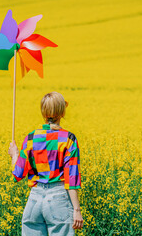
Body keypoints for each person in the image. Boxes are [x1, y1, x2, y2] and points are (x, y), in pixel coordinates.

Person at [8, 92, 84, 236]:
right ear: (62, 113)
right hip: (58, 200)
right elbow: (71, 179)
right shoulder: (68, 139)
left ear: (43, 113)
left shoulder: (31, 138)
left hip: (34, 200)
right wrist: (76, 210)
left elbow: (17, 175)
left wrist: (15, 155)